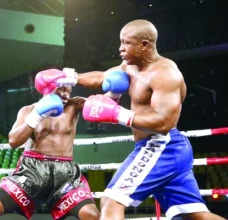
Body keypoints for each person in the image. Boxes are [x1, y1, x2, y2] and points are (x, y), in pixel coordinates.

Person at [34, 19, 226, 220]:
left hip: (160, 145)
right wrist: (68, 77)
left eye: (126, 43)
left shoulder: (165, 74)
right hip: (165, 148)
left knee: (112, 200)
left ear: (145, 45)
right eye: (121, 42)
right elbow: (105, 77)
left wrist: (118, 114)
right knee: (195, 216)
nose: (120, 48)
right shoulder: (130, 65)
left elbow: (164, 123)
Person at [0, 86, 100, 220]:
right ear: (48, 87)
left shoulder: (74, 105)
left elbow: (99, 105)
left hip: (65, 174)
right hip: (32, 170)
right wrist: (37, 114)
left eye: (68, 91)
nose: (65, 95)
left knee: (92, 215)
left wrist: (113, 93)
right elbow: (13, 141)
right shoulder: (28, 110)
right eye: (61, 90)